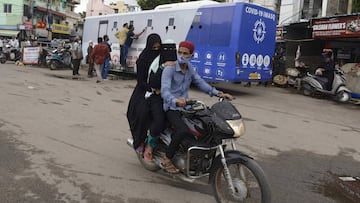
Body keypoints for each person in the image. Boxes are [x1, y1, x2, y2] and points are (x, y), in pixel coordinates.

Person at [160, 41, 233, 173]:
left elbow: (200, 83)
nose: (182, 55)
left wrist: (219, 93)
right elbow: (165, 91)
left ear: (191, 56)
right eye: (180, 52)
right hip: (171, 107)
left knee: (206, 125)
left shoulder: (190, 69)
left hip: (187, 107)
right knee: (182, 130)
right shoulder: (169, 69)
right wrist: (175, 100)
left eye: (185, 53)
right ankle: (167, 158)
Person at [127, 33, 162, 155]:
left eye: (158, 48)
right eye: (154, 48)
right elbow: (140, 81)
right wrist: (151, 89)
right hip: (144, 89)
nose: (156, 50)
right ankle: (139, 141)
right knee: (139, 113)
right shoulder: (142, 59)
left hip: (161, 89)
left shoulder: (162, 58)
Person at [142, 40, 177, 162]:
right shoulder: (157, 64)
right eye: (166, 49)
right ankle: (149, 147)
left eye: (172, 49)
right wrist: (163, 67)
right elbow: (153, 83)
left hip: (172, 96)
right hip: (155, 97)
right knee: (159, 120)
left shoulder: (178, 63)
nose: (170, 53)